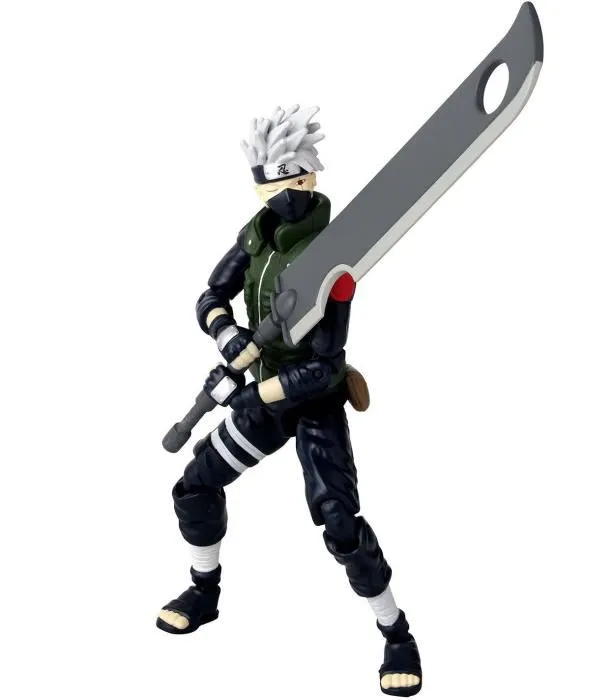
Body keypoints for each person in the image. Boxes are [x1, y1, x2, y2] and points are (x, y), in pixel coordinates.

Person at [156, 105, 422, 697]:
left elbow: (325, 363)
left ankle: (396, 633)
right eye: (273, 186)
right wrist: (228, 335)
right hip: (259, 392)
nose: (285, 196)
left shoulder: (336, 257)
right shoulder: (255, 237)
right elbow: (211, 295)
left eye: (295, 182)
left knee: (339, 521)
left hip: (313, 398)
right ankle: (203, 592)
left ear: (309, 177)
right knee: (195, 485)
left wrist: (257, 393)